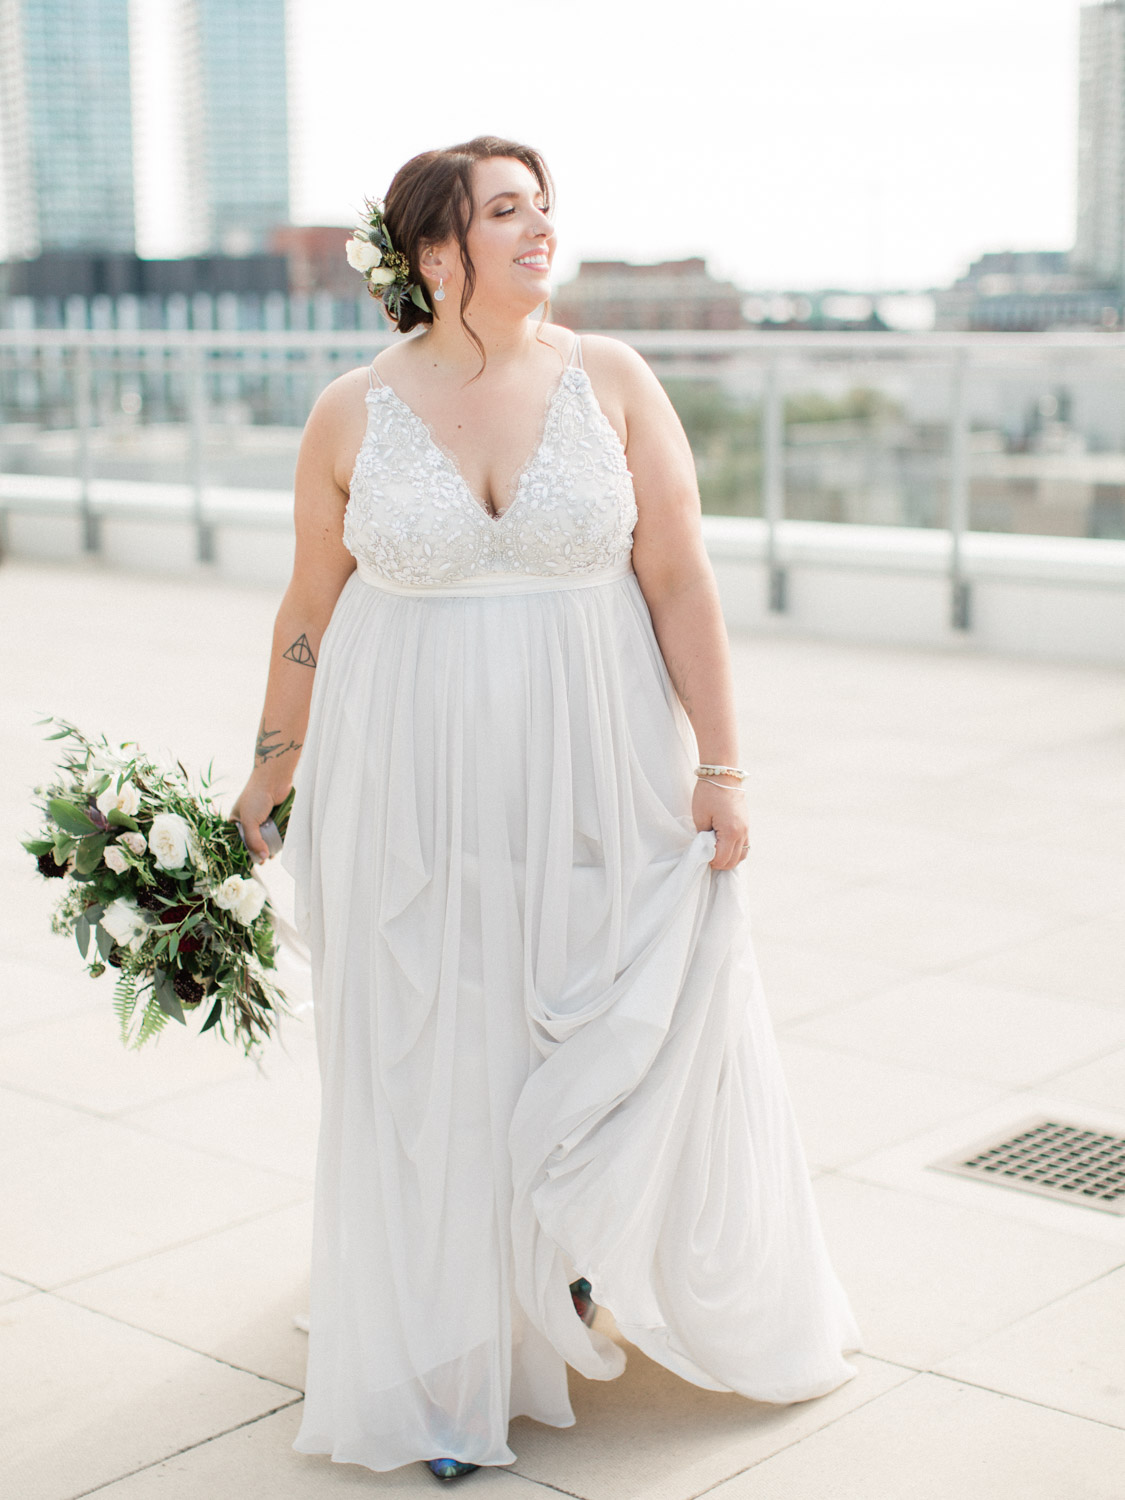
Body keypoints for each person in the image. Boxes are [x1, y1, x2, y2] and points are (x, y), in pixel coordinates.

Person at [230, 135, 860, 1485]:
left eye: (543, 208)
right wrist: (271, 768)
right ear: (433, 253)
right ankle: (455, 1360)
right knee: (435, 1040)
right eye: (505, 213)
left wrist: (724, 766)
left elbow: (681, 580)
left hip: (600, 760)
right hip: (407, 774)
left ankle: (568, 1269)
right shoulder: (349, 412)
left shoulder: (613, 381)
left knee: (598, 1009)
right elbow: (307, 609)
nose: (540, 232)